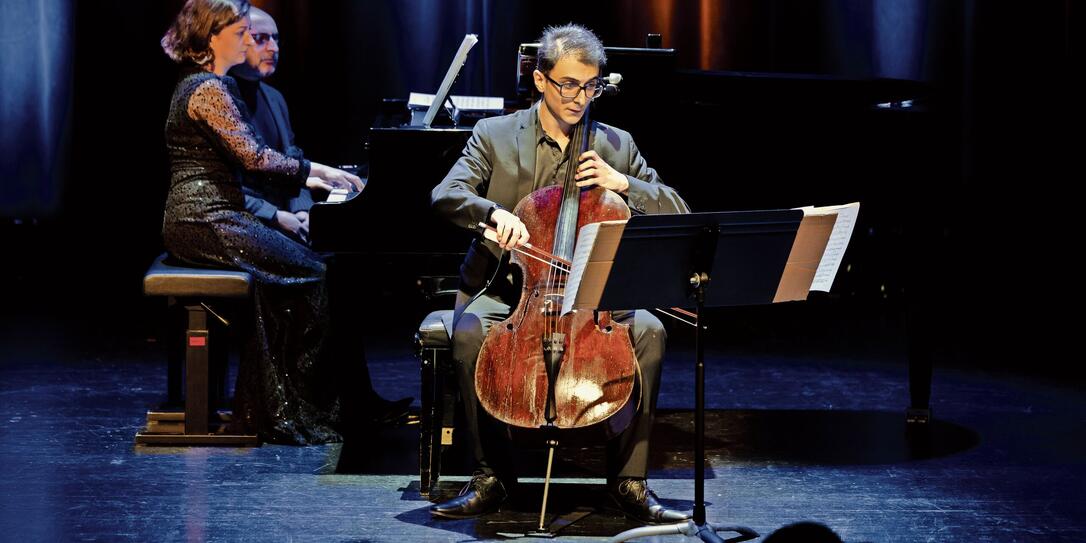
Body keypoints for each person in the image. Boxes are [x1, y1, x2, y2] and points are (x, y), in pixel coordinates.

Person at [429, 24, 690, 523]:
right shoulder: (495, 136)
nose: (579, 97)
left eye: (590, 86)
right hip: (510, 289)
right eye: (568, 84)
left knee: (652, 333)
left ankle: (629, 481)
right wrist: (491, 214)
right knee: (467, 334)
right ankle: (491, 477)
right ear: (541, 80)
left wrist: (624, 182)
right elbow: (445, 195)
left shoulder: (616, 144)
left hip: (594, 296)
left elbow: (676, 209)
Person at [160, 0, 364, 444]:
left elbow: (263, 155)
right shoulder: (208, 89)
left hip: (212, 213)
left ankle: (268, 406)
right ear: (212, 38)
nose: (249, 39)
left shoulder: (211, 85)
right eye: (240, 32)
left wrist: (313, 170)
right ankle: (294, 407)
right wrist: (317, 172)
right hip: (205, 217)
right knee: (313, 274)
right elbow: (253, 157)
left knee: (281, 281)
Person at [227, 7, 411, 426]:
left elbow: (291, 164)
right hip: (244, 222)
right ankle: (321, 403)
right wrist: (281, 217)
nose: (273, 47)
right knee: (329, 274)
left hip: (279, 217)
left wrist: (316, 204)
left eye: (276, 38)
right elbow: (231, 186)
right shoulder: (225, 99)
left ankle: (352, 399)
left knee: (344, 268)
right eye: (260, 38)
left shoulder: (272, 96)